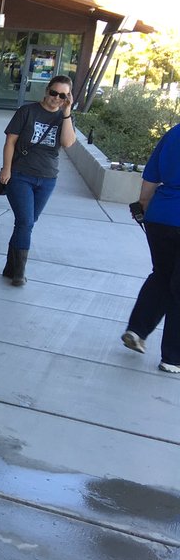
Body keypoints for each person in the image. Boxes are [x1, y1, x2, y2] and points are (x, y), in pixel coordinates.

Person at [0, 74, 77, 285]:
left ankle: (10, 268)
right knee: (25, 221)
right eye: (53, 92)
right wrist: (6, 169)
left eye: (62, 95)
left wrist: (67, 112)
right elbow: (10, 142)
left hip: (48, 179)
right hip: (21, 175)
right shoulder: (27, 111)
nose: (56, 98)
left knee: (27, 223)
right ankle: (19, 273)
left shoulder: (64, 117)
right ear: (46, 90)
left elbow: (68, 143)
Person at [121, 122, 180, 373]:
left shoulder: (175, 133)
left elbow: (151, 177)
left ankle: (137, 329)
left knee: (162, 275)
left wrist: (144, 205)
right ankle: (173, 357)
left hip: (161, 217)